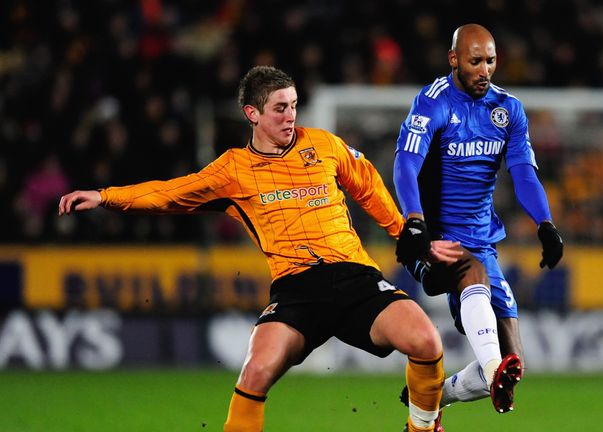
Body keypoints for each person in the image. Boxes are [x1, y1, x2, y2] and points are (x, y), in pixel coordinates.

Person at [59, 65, 463, 432]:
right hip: (296, 289)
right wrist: (105, 196)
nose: (290, 116)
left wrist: (406, 236)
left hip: (354, 276)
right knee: (255, 372)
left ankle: (421, 429)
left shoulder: (324, 145)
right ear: (253, 114)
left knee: (426, 341)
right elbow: (170, 193)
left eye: (293, 106)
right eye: (279, 109)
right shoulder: (232, 170)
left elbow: (368, 185)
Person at [393, 23, 564, 422]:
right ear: (454, 60)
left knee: (513, 362)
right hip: (433, 241)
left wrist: (545, 223)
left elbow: (523, 172)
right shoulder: (433, 102)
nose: (484, 69)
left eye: (490, 61)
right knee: (470, 272)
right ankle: (489, 371)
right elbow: (406, 162)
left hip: (481, 242)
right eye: (475, 61)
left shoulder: (508, 111)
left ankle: (436, 395)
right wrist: (415, 220)